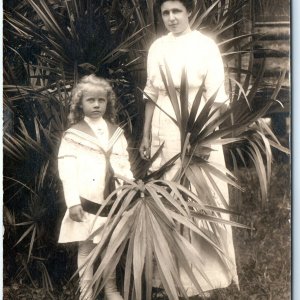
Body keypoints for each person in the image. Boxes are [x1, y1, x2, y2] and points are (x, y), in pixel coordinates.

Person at [139, 0, 238, 296]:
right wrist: (145, 135)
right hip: (163, 128)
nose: (171, 18)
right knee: (167, 198)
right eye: (165, 13)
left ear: (190, 12)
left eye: (176, 11)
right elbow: (151, 93)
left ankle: (204, 279)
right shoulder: (157, 47)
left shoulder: (205, 46)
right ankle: (166, 276)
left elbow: (218, 97)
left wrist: (206, 139)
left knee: (198, 199)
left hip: (199, 127)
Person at [58, 75, 132, 300]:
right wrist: (73, 202)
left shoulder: (115, 133)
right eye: (91, 100)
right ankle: (86, 291)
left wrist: (129, 188)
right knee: (87, 246)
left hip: (113, 200)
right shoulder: (73, 135)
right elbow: (67, 171)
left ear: (107, 102)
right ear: (80, 103)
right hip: (88, 200)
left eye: (101, 100)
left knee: (110, 245)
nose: (97, 104)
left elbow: (123, 162)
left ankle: (111, 289)